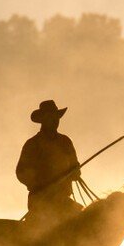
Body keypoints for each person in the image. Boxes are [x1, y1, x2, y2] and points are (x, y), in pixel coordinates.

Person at [16, 99, 84, 235]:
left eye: (56, 118)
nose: (55, 121)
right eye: (50, 118)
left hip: (63, 199)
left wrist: (75, 171)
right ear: (43, 120)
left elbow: (75, 167)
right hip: (40, 200)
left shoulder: (65, 141)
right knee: (37, 234)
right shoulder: (33, 144)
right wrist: (41, 184)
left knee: (83, 226)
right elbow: (21, 172)